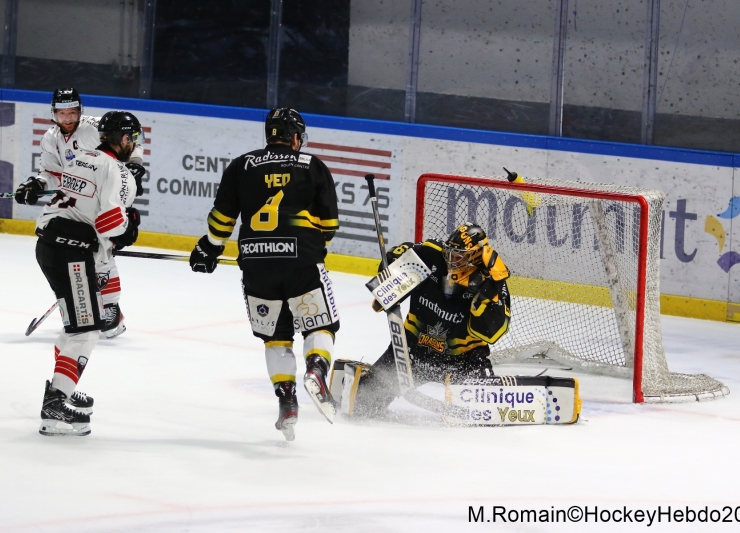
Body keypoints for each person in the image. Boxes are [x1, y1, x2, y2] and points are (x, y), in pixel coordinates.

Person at [189, 107, 341, 441]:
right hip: (302, 261)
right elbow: (329, 226)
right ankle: (316, 368)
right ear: (297, 137)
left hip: (257, 266)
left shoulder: (241, 165)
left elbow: (222, 221)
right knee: (321, 324)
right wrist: (308, 245)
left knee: (276, 337)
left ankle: (287, 401)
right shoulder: (313, 165)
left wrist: (209, 249)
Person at [33, 111, 142, 436]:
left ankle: (60, 386)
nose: (134, 144)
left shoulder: (81, 157)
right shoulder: (118, 170)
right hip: (73, 253)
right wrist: (129, 227)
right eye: (132, 139)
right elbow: (110, 225)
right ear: (123, 139)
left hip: (49, 246)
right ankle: (56, 404)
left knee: (75, 327)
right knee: (87, 331)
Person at [15, 87, 145, 339]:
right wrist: (38, 184)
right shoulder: (50, 138)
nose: (67, 118)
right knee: (92, 243)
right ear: (53, 113)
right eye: (62, 113)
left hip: (103, 185)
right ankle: (88, 302)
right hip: (81, 189)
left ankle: (110, 309)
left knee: (102, 244)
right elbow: (53, 174)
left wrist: (134, 167)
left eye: (72, 112)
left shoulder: (95, 126)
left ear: (80, 110)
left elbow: (129, 139)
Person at [351, 223, 512, 419]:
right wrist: (391, 267)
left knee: (480, 417)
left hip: (463, 363)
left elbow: (491, 332)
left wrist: (491, 288)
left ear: (475, 257)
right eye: (449, 252)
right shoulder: (430, 254)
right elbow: (393, 261)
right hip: (411, 352)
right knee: (362, 405)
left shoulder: (491, 283)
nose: (451, 260)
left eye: (458, 255)